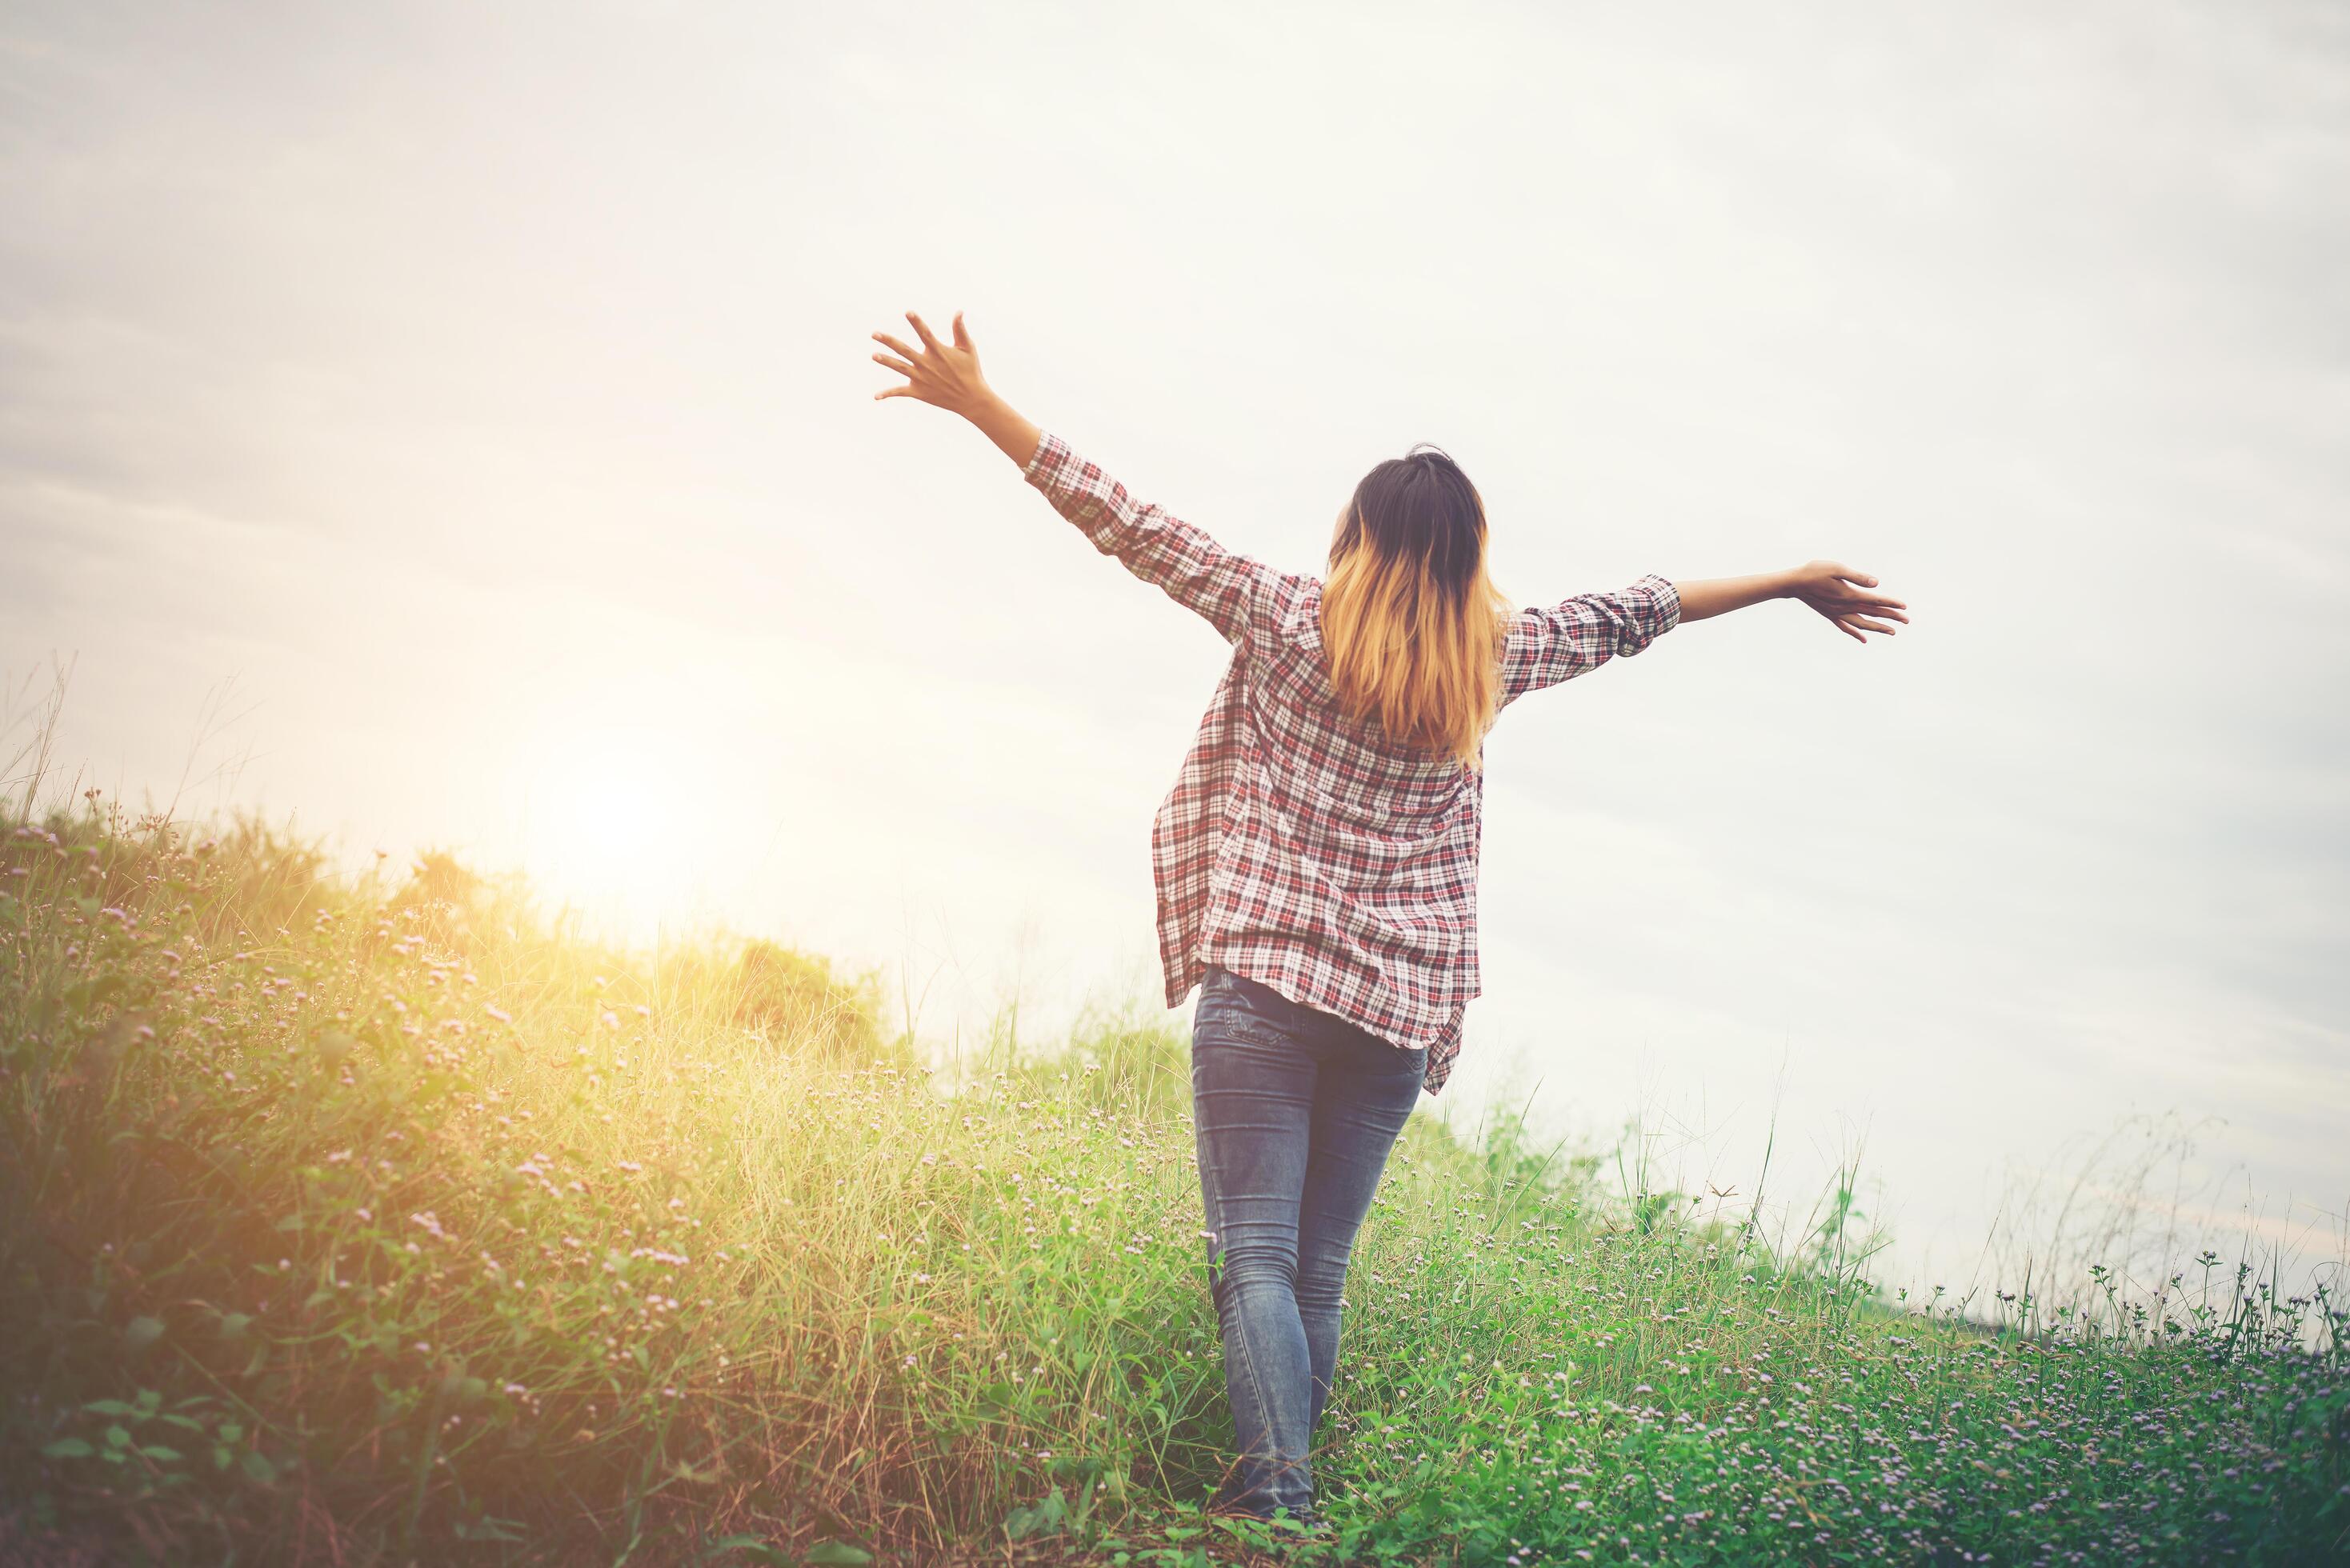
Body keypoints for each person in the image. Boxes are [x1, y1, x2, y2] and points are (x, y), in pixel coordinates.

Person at [868, 309, 1908, 1530]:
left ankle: (1279, 1501)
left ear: (1351, 537)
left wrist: (983, 406)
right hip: (1396, 1013)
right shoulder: (1498, 654)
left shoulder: (1279, 613)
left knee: (1251, 1255)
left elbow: (1125, 519)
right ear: (1471, 555)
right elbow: (1645, 608)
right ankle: (1289, 1500)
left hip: (1263, 987)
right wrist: (1785, 580)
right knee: (1314, 1269)